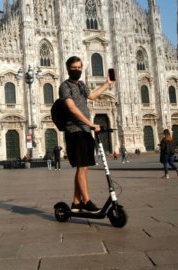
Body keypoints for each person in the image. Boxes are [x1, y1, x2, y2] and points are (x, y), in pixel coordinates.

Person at [59, 56, 112, 213]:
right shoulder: (65, 86)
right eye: (74, 68)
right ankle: (86, 201)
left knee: (83, 168)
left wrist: (107, 84)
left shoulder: (81, 85)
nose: (77, 70)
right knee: (82, 167)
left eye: (79, 67)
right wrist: (90, 123)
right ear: (68, 68)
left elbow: (92, 96)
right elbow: (72, 108)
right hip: (75, 131)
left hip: (86, 130)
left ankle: (76, 202)